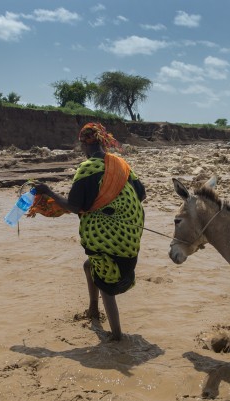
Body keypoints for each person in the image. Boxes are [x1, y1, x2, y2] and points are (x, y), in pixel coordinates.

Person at [33, 122, 146, 341]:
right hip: (130, 238)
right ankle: (93, 310)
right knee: (89, 266)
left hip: (107, 239)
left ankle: (116, 338)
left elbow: (75, 207)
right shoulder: (122, 165)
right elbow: (141, 195)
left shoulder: (87, 169)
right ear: (103, 141)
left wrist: (48, 191)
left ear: (83, 144)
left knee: (106, 287)